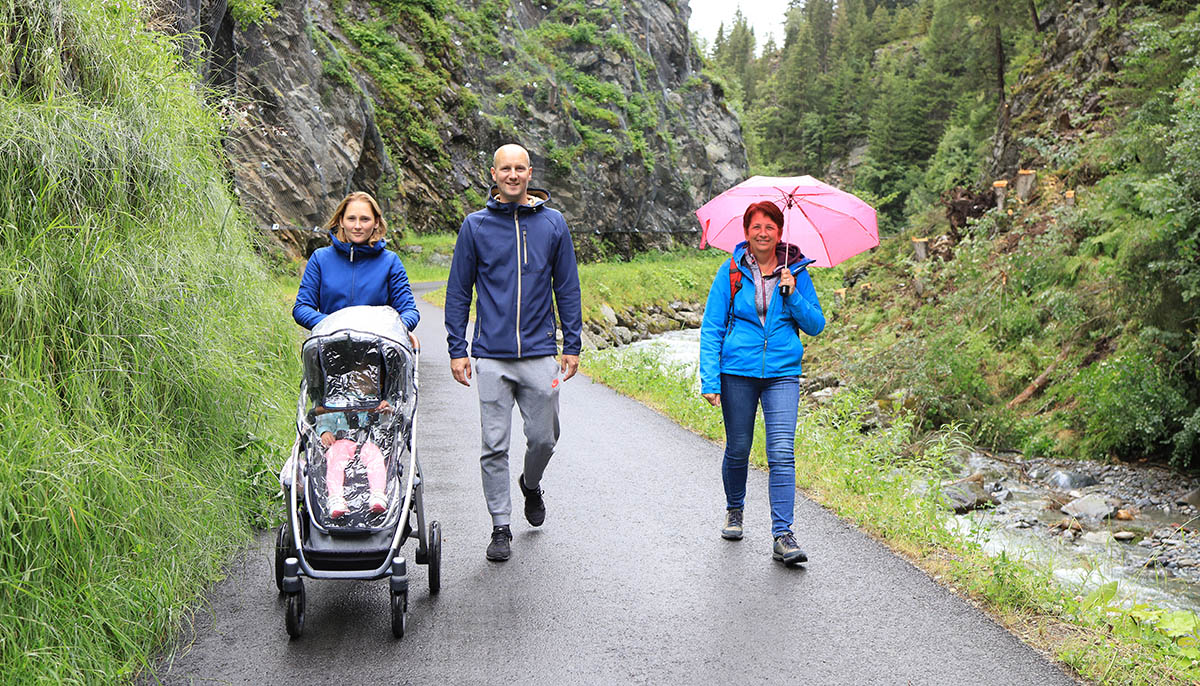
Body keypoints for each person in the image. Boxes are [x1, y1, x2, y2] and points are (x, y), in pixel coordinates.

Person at [444, 143, 582, 562]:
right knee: (493, 443)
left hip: (541, 353)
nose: (513, 175)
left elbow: (568, 287)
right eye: (505, 168)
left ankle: (531, 483)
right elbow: (457, 290)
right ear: (493, 173)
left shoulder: (554, 224)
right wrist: (457, 348)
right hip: (491, 355)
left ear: (530, 173)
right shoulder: (475, 226)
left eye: (520, 168)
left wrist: (571, 344)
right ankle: (500, 526)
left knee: (544, 438)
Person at [698, 200, 825, 565]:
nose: (763, 232)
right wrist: (710, 378)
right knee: (738, 448)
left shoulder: (797, 273)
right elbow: (712, 326)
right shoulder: (731, 271)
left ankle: (782, 535)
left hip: (783, 372)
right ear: (746, 232)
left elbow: (816, 325)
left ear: (780, 233)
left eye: (770, 226)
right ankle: (735, 509)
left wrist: (793, 293)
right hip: (737, 370)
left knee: (782, 451)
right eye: (756, 226)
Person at [293, 191, 420, 332]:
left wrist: (390, 329)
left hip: (379, 346)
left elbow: (409, 311)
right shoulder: (320, 258)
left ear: (376, 222)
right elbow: (302, 308)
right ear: (341, 221)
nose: (357, 226)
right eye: (351, 219)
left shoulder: (390, 261)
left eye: (365, 219)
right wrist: (334, 326)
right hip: (329, 344)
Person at [313, 398, 391, 518]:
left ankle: (378, 493)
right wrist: (325, 431)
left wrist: (386, 410)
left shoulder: (376, 402)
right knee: (335, 457)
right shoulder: (336, 402)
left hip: (368, 441)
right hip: (342, 441)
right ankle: (336, 497)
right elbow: (325, 418)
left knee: (375, 457)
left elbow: (386, 424)